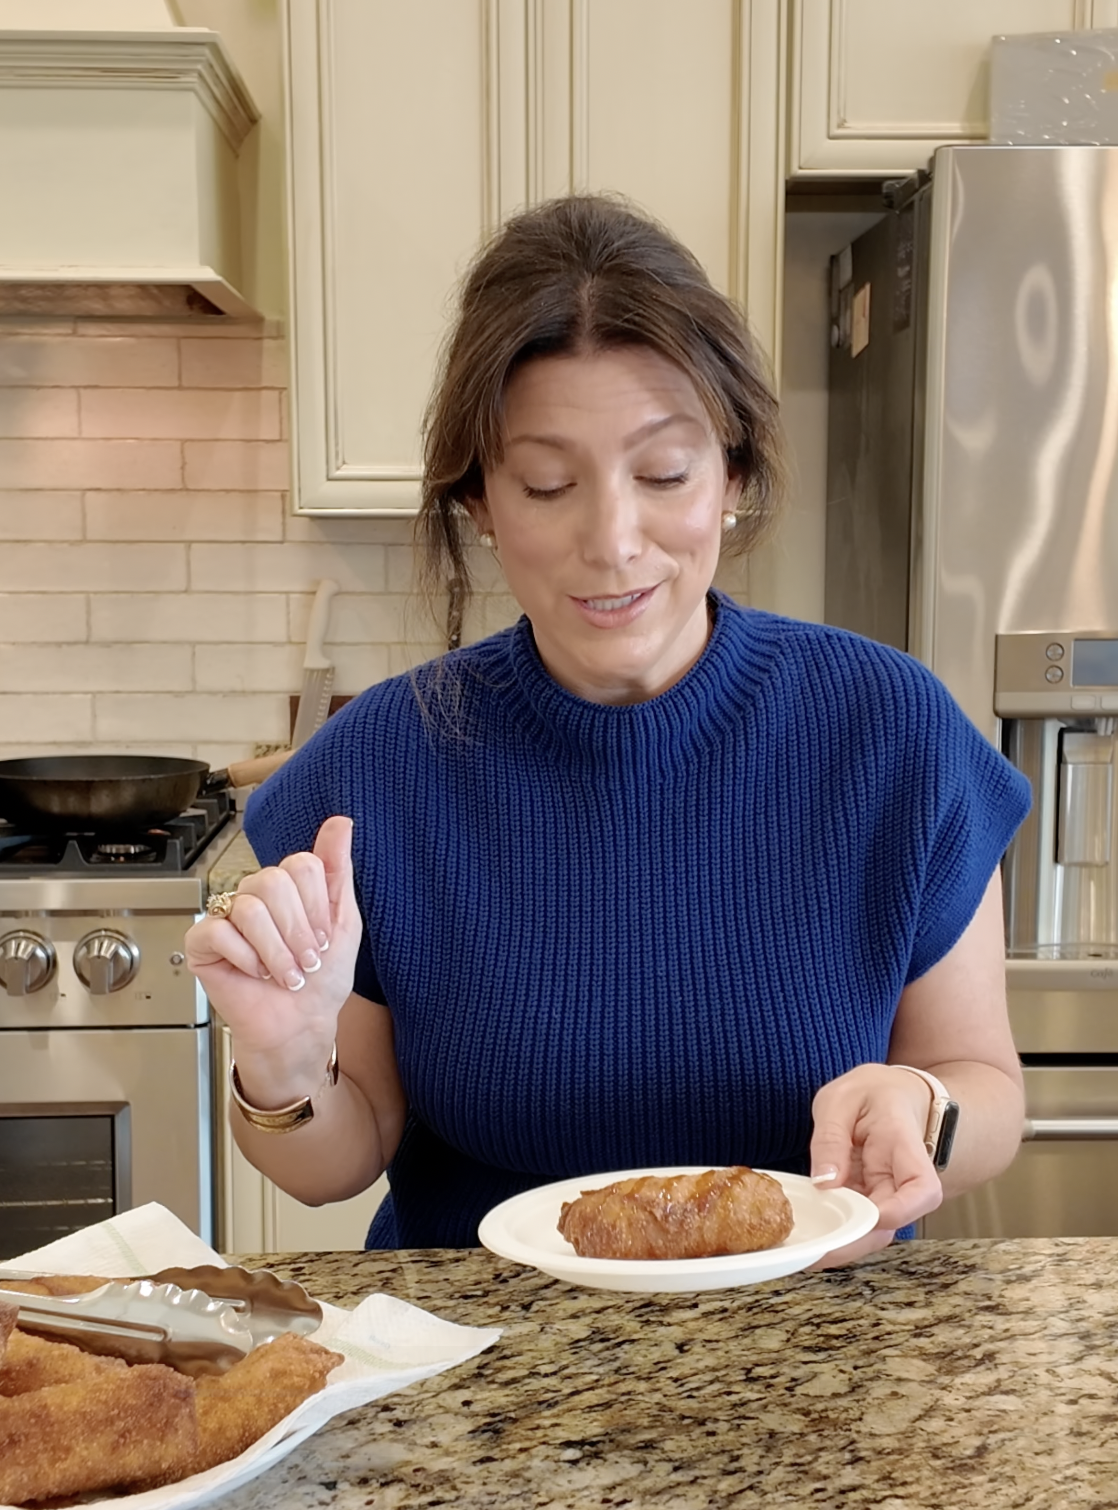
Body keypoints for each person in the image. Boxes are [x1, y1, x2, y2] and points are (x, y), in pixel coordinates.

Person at [185, 193, 1031, 1265]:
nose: (612, 540)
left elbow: (985, 1090)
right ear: (482, 503)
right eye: (546, 484)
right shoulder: (381, 768)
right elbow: (340, 1161)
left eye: (664, 473)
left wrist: (919, 1108)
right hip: (480, 1376)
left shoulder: (890, 733)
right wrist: (288, 1068)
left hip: (819, 1354)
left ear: (730, 474)